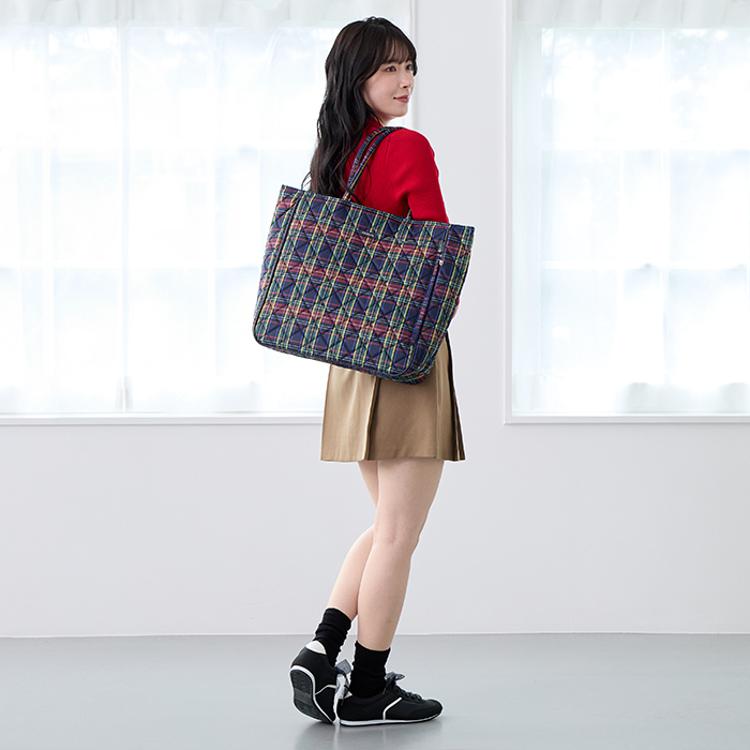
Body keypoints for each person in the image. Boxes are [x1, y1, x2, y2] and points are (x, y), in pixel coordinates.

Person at [289, 16, 465, 727]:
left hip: (351, 365)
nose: (405, 80)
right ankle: (366, 689)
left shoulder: (335, 158)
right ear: (356, 76)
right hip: (404, 358)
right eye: (389, 68)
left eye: (409, 66)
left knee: (386, 524)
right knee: (399, 535)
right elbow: (437, 252)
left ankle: (320, 650)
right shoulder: (407, 147)